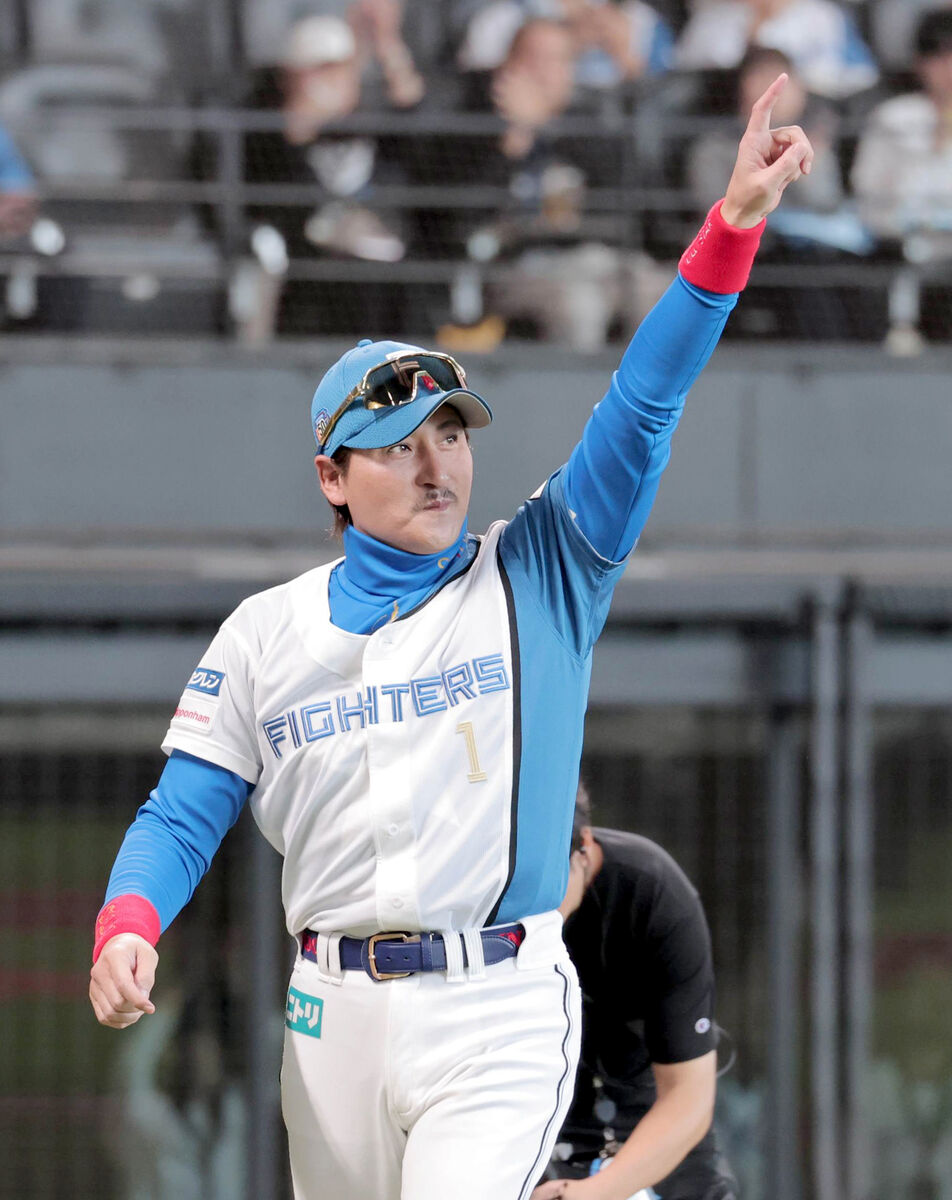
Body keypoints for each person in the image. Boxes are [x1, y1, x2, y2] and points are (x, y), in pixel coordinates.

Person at [88, 75, 812, 1200]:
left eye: (452, 435)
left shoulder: (541, 571)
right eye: (397, 445)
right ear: (331, 477)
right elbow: (183, 813)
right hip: (329, 1013)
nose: (437, 466)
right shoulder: (264, 630)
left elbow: (642, 402)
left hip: (495, 1001)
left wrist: (729, 231)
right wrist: (128, 922)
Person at [532, 785, 738, 1200]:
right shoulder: (485, 906)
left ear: (584, 846)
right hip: (530, 1118)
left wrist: (593, 1193)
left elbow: (688, 1094)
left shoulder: (654, 891)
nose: (539, 905)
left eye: (553, 880)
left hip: (647, 1109)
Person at [851, 9, 952, 347]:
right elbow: (867, 191)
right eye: (940, 57)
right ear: (921, 64)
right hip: (904, 241)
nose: (949, 68)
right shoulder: (893, 118)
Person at [675, 0, 879, 100]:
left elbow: (862, 74)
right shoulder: (713, 17)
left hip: (809, 114)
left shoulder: (822, 15)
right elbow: (683, 76)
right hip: (729, 118)